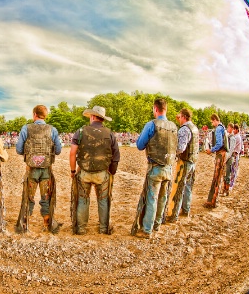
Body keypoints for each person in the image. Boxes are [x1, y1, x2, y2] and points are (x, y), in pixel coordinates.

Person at [69, 105, 120, 235]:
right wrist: (112, 171)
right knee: (103, 200)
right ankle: (103, 228)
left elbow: (72, 153)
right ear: (102, 119)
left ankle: (81, 228)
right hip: (102, 173)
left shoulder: (80, 131)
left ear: (92, 116)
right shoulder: (109, 133)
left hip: (84, 171)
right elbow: (116, 155)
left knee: (83, 199)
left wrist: (73, 171)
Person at [131, 98, 177, 239]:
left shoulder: (152, 124)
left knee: (152, 198)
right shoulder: (174, 126)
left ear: (155, 109)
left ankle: (147, 229)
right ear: (166, 109)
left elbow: (140, 145)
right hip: (169, 167)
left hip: (155, 166)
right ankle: (157, 224)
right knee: (163, 198)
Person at [15, 105, 62, 234]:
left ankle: (25, 224)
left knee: (28, 196)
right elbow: (58, 150)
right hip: (46, 169)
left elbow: (19, 149)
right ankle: (47, 223)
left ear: (34, 114)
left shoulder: (26, 128)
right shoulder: (52, 129)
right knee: (46, 197)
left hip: (31, 169)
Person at [165, 108, 199, 223]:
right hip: (193, 161)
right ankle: (186, 209)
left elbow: (180, 148)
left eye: (179, 116)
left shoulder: (184, 130)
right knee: (188, 187)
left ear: (184, 116)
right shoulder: (194, 128)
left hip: (184, 162)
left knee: (179, 187)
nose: (178, 118)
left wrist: (172, 151)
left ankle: (173, 214)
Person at [204, 113, 228, 208]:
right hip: (223, 154)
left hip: (220, 154)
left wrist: (211, 150)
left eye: (212, 122)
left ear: (215, 120)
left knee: (217, 177)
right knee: (218, 177)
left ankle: (212, 201)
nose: (212, 124)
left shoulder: (218, 128)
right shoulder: (223, 128)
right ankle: (213, 200)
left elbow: (219, 144)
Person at [222, 123, 236, 196]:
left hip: (229, 158)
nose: (228, 128)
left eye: (228, 127)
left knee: (227, 174)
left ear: (231, 128)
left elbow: (230, 150)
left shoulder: (232, 138)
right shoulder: (228, 136)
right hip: (227, 157)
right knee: (225, 174)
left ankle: (226, 190)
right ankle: (224, 188)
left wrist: (225, 159)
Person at [229, 124, 243, 193]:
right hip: (235, 154)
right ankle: (231, 184)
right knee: (232, 169)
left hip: (235, 154)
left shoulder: (237, 137)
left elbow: (232, 147)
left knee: (233, 170)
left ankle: (231, 185)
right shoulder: (236, 136)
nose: (233, 130)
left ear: (237, 130)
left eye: (234, 129)